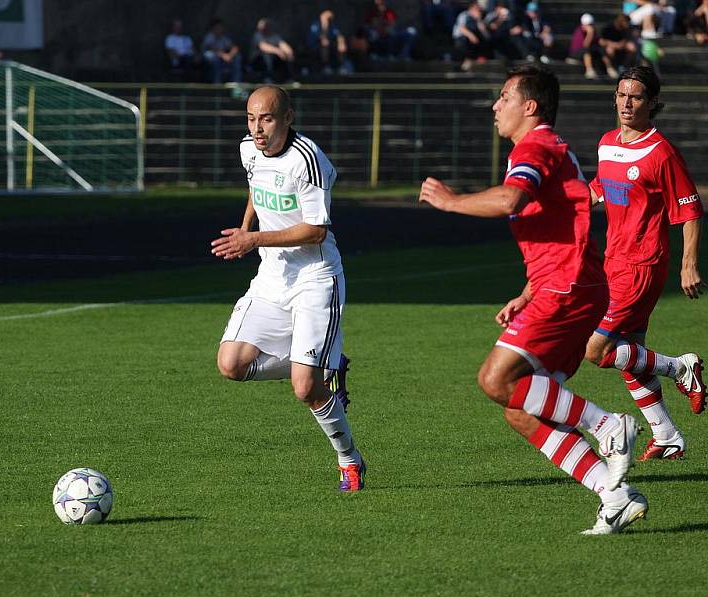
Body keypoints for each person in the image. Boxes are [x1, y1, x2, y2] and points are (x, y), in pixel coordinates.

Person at [419, 65, 648, 534]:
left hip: (567, 286)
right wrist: (526, 292)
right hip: (564, 284)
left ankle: (608, 424)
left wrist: (450, 201)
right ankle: (613, 494)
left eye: (504, 96)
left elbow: (510, 200)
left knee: (494, 378)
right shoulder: (542, 148)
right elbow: (563, 221)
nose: (494, 106)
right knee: (519, 408)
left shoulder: (536, 145)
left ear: (530, 106)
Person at [211, 86, 364, 492]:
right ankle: (323, 365)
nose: (257, 129)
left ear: (287, 118)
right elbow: (255, 186)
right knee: (231, 364)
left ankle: (348, 460)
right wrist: (247, 225)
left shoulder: (308, 160)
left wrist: (252, 240)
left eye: (267, 119)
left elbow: (316, 230)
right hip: (272, 278)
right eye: (250, 118)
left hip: (315, 279)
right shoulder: (248, 149)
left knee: (304, 389)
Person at [584, 66, 705, 461]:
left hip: (642, 264)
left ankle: (681, 367)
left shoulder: (661, 152)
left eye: (635, 96)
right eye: (621, 94)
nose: (626, 102)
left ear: (652, 103)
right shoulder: (606, 143)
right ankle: (667, 436)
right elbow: (600, 187)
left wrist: (689, 265)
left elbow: (689, 210)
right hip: (613, 261)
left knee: (595, 350)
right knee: (631, 354)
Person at [249, 18, 295, 83]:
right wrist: (278, 51)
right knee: (266, 55)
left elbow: (283, 44)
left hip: (274, 62)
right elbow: (263, 47)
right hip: (258, 62)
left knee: (285, 56)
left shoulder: (275, 36)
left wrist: (289, 52)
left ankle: (289, 79)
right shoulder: (257, 35)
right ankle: (267, 78)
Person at [306, 10, 352, 75]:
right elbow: (319, 37)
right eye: (327, 18)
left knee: (341, 46)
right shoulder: (316, 24)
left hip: (329, 46)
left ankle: (341, 66)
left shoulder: (331, 25)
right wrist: (324, 25)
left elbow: (338, 35)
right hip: (315, 47)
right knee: (325, 44)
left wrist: (341, 42)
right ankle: (326, 66)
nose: (329, 19)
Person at [200, 18, 243, 86]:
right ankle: (217, 84)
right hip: (211, 59)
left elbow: (234, 47)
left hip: (223, 59)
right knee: (214, 58)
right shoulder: (209, 36)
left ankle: (235, 83)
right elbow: (213, 48)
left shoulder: (224, 38)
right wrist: (224, 56)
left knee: (237, 57)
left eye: (221, 27)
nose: (220, 29)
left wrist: (230, 55)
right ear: (213, 28)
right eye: (217, 27)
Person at [453, 1, 492, 71]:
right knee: (466, 41)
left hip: (474, 42)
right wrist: (471, 36)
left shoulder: (481, 18)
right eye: (476, 8)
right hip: (462, 39)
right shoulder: (464, 15)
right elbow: (461, 28)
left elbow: (486, 35)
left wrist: (479, 20)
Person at [568, 13, 607, 79]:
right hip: (575, 53)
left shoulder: (592, 30)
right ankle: (589, 70)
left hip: (585, 52)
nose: (590, 27)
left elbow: (599, 41)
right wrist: (590, 33)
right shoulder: (580, 31)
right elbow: (586, 45)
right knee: (587, 50)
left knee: (601, 51)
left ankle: (609, 68)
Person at [599, 13, 639, 78]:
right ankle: (611, 68)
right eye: (626, 22)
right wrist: (614, 44)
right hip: (609, 47)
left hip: (621, 47)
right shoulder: (608, 28)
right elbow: (601, 41)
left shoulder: (626, 29)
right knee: (609, 50)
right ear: (621, 21)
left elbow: (626, 39)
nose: (628, 24)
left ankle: (624, 67)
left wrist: (622, 44)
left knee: (632, 47)